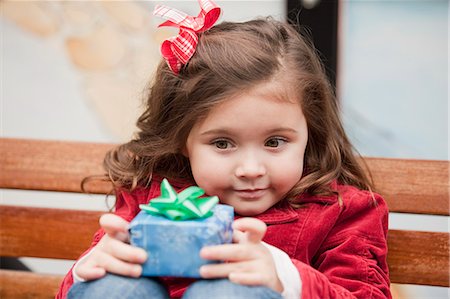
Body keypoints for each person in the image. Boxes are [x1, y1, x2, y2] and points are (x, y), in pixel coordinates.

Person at [57, 1, 391, 298]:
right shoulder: (147, 196)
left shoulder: (343, 212)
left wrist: (285, 277)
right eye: (222, 143)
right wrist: (90, 270)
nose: (250, 168)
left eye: (275, 142)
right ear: (181, 140)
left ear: (310, 132)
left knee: (229, 291)